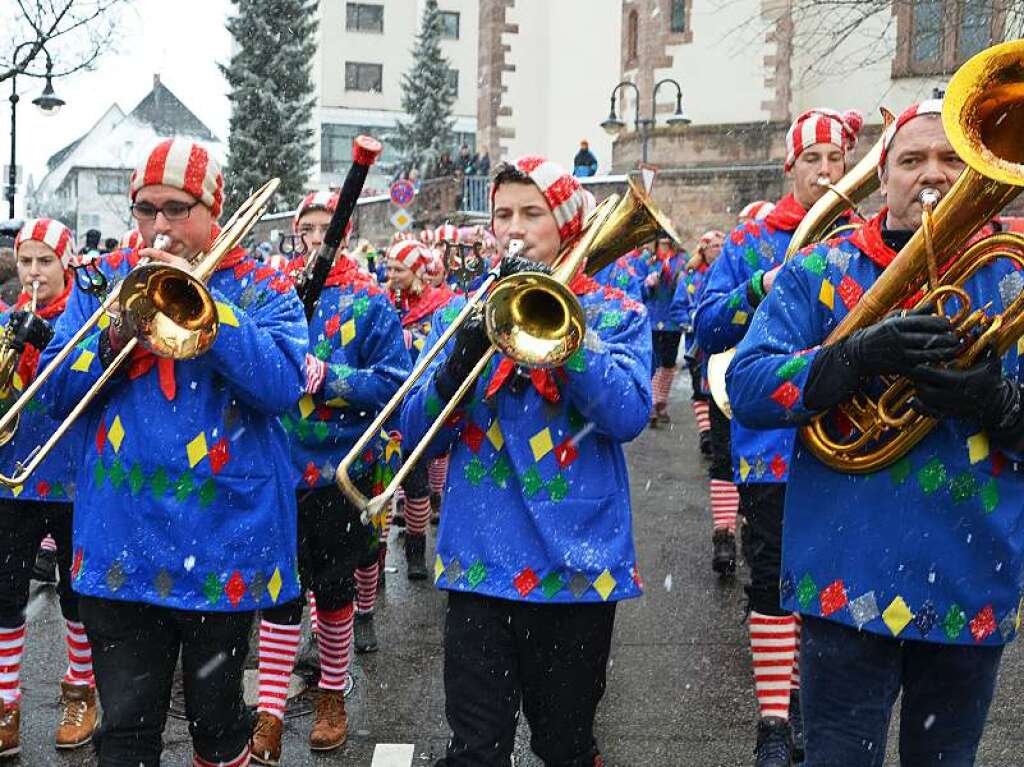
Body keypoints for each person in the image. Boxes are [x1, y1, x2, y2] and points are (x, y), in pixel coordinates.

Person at [727, 99, 1024, 766]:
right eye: (912, 159)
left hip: (969, 576)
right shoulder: (820, 271)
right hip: (846, 575)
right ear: (883, 177)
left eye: (953, 158)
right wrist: (853, 356)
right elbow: (746, 386)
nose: (934, 175)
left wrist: (998, 402)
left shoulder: (1013, 272)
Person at [40, 138, 307, 767]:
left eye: (177, 209)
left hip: (221, 535)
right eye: (146, 209)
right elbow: (53, 393)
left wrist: (205, 309)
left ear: (213, 210)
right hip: (121, 541)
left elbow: (282, 386)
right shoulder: (101, 281)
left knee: (217, 724)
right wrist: (113, 336)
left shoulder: (264, 285)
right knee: (126, 731)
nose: (159, 226)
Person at [401, 155, 650, 767]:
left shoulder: (617, 311)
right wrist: (461, 355)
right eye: (503, 214)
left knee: (564, 745)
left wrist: (564, 336)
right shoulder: (459, 311)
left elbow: (627, 414)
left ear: (565, 224)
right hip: (479, 565)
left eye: (531, 213)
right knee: (476, 751)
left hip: (576, 566)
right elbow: (414, 437)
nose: (514, 228)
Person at [695, 107, 863, 766]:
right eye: (812, 160)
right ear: (789, 167)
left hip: (852, 438)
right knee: (773, 582)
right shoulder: (754, 239)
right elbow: (708, 324)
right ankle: (772, 720)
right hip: (771, 444)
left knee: (834, 585)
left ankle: (812, 705)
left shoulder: (865, 233)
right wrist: (763, 282)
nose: (825, 172)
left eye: (835, 160)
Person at [250, 190, 407, 764]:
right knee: (279, 592)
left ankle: (331, 696)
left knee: (336, 592)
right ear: (297, 232)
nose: (318, 237)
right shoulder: (274, 290)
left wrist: (330, 378)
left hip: (341, 472)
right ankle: (269, 710)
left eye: (326, 227)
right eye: (309, 228)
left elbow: (394, 384)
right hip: (276, 467)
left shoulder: (370, 301)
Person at [0, 218, 98, 757]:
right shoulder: (5, 319)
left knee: (77, 597)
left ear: (65, 263)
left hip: (73, 479)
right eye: (26, 262)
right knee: (4, 595)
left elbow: (84, 380)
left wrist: (43, 343)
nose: (34, 273)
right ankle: (4, 701)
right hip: (12, 480)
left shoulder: (85, 318)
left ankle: (80, 692)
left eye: (45, 262)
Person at [385, 239, 456, 578]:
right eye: (388, 268)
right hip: (387, 402)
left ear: (416, 271)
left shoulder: (440, 305)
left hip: (417, 400)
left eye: (398, 269)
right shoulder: (385, 301)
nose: (390, 275)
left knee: (415, 482)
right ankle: (377, 561)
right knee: (386, 482)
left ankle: (416, 549)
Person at [671, 229, 724, 457]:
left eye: (723, 246)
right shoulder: (691, 278)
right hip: (698, 347)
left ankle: (717, 434)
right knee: (700, 391)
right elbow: (677, 308)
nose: (720, 251)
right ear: (704, 250)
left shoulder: (726, 274)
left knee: (718, 392)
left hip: (720, 345)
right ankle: (706, 434)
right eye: (715, 246)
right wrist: (691, 321)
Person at [642, 233, 690, 427]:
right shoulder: (647, 260)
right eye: (660, 242)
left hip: (671, 319)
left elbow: (689, 285)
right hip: (653, 318)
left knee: (669, 362)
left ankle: (661, 401)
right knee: (653, 361)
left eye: (667, 242)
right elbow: (636, 286)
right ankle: (652, 403)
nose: (663, 246)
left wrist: (682, 279)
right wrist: (647, 283)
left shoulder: (681, 261)